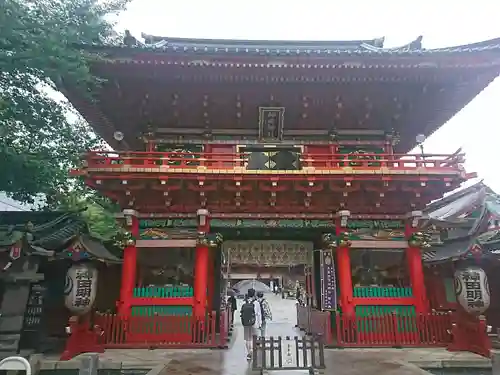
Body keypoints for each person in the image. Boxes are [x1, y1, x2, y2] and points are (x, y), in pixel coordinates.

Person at [240, 288, 262, 360]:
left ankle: (249, 353)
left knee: (247, 339)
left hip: (246, 322)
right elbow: (259, 314)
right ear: (254, 294)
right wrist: (260, 323)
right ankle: (252, 350)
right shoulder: (256, 303)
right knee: (254, 338)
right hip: (254, 322)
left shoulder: (244, 302)